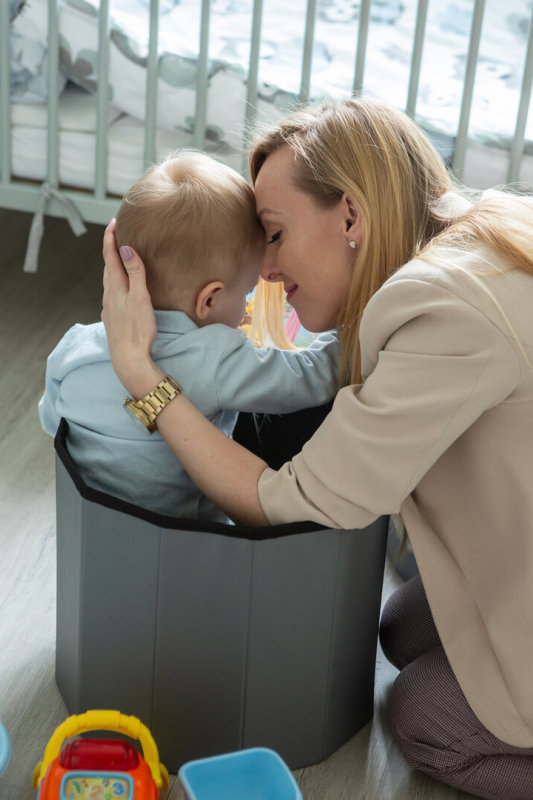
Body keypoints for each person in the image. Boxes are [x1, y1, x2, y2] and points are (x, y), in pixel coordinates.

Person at [101, 98, 533, 799]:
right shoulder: (474, 234)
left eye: (273, 234)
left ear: (351, 216)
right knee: (398, 630)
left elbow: (283, 499)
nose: (264, 268)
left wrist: (142, 378)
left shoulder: (442, 312)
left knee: (419, 715)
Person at [39, 150, 340, 520]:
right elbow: (314, 376)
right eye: (246, 292)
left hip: (93, 532)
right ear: (209, 298)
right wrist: (356, 321)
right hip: (187, 545)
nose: (247, 308)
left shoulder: (74, 346)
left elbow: (53, 423)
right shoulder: (215, 354)